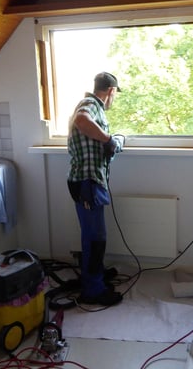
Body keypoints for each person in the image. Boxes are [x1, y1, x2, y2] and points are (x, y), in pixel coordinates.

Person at [67, 72, 124, 306]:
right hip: (87, 182)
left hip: (89, 182)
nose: (114, 99)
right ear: (111, 91)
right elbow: (81, 121)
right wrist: (108, 139)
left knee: (95, 235)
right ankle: (92, 290)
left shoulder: (95, 107)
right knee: (95, 238)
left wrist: (109, 142)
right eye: (115, 95)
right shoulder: (90, 104)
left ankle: (95, 274)